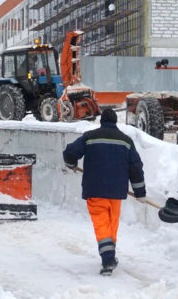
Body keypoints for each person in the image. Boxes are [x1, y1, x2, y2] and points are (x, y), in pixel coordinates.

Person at [62, 108, 146, 276]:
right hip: (116, 192)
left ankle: (108, 259)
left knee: (101, 224)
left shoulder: (90, 136)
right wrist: (140, 191)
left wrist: (71, 164)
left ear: (101, 121)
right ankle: (110, 255)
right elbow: (135, 167)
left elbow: (70, 152)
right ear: (115, 122)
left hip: (95, 189)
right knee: (111, 224)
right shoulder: (126, 141)